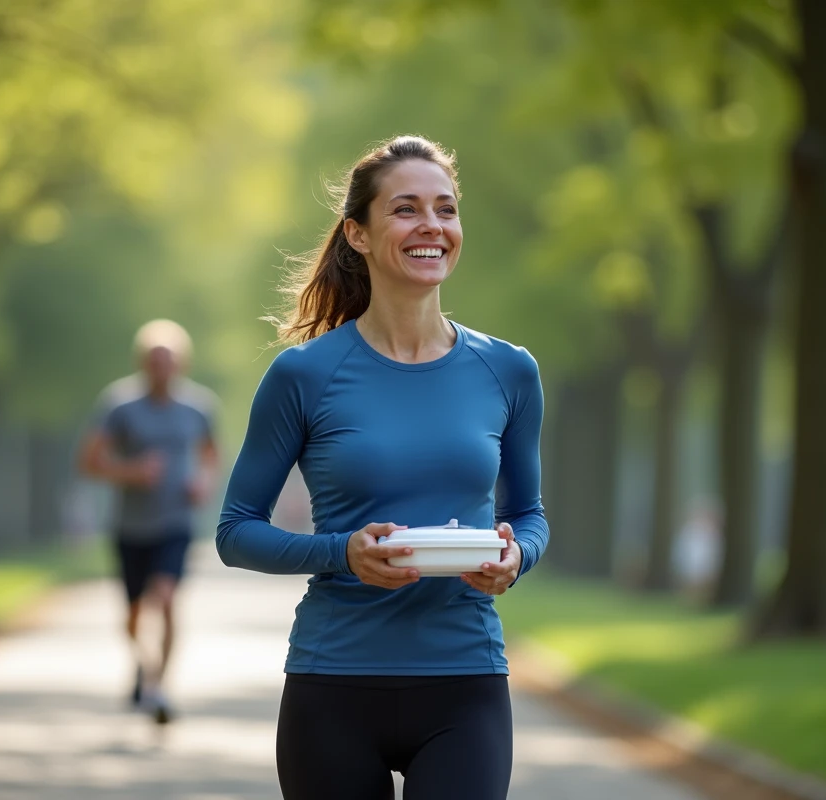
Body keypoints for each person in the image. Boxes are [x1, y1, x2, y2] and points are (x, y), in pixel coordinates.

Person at [217, 135, 549, 800]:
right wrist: (345, 553)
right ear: (358, 235)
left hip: (465, 682)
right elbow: (235, 530)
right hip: (334, 683)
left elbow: (529, 514)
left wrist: (518, 559)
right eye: (406, 209)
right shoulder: (304, 376)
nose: (432, 226)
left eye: (446, 209)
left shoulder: (509, 370)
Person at [78, 319, 219, 725]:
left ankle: (158, 687)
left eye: (169, 360)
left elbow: (211, 455)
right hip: (130, 525)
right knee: (136, 611)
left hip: (175, 522)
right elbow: (89, 462)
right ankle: (142, 665)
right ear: (143, 363)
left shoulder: (199, 406)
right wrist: (131, 472)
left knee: (168, 596)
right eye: (155, 360)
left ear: (181, 363)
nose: (162, 368)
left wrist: (202, 483)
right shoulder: (119, 405)